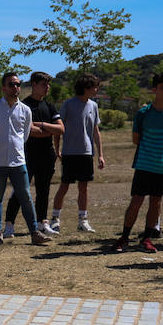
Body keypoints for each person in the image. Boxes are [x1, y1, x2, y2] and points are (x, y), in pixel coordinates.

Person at [113, 73, 163, 254]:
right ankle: (124, 237)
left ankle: (146, 239)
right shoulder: (143, 114)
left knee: (156, 203)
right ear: (154, 90)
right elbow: (136, 139)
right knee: (136, 201)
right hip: (144, 165)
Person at [0, 73, 52, 247]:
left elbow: (25, 135)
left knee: (25, 197)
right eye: (11, 84)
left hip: (18, 161)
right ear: (3, 88)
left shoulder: (25, 110)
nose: (16, 88)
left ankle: (34, 233)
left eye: (18, 84)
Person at [4, 71, 63, 238]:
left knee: (43, 190)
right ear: (34, 85)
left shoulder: (50, 106)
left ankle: (42, 223)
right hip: (27, 155)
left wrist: (42, 125)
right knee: (21, 190)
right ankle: (9, 224)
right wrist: (49, 129)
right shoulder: (23, 106)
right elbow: (30, 132)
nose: (47, 87)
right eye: (44, 84)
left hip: (47, 154)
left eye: (48, 84)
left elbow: (61, 129)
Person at [48, 73, 107, 234]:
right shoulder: (68, 104)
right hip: (69, 153)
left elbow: (96, 131)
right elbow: (58, 129)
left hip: (86, 153)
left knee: (84, 187)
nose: (96, 90)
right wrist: (57, 149)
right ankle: (55, 219)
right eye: (95, 87)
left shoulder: (93, 106)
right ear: (85, 87)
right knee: (64, 186)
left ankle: (83, 221)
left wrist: (100, 155)